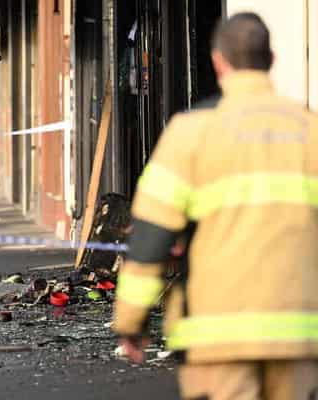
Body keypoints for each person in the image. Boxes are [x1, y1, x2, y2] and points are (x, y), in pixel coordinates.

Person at [113, 12, 318, 400]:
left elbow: (150, 238)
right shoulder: (311, 130)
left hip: (218, 335)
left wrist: (130, 320)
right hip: (300, 335)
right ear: (271, 60)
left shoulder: (189, 134)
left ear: (218, 61)